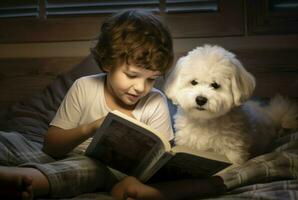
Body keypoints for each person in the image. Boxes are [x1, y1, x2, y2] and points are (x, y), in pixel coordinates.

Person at [0, 9, 226, 200]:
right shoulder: (84, 86)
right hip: (61, 155)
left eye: (151, 79)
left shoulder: (155, 101)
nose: (140, 87)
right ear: (108, 63)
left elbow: (159, 163)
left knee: (89, 169)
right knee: (13, 140)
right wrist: (90, 128)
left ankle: (27, 182)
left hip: (103, 171)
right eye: (131, 75)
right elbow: (51, 147)